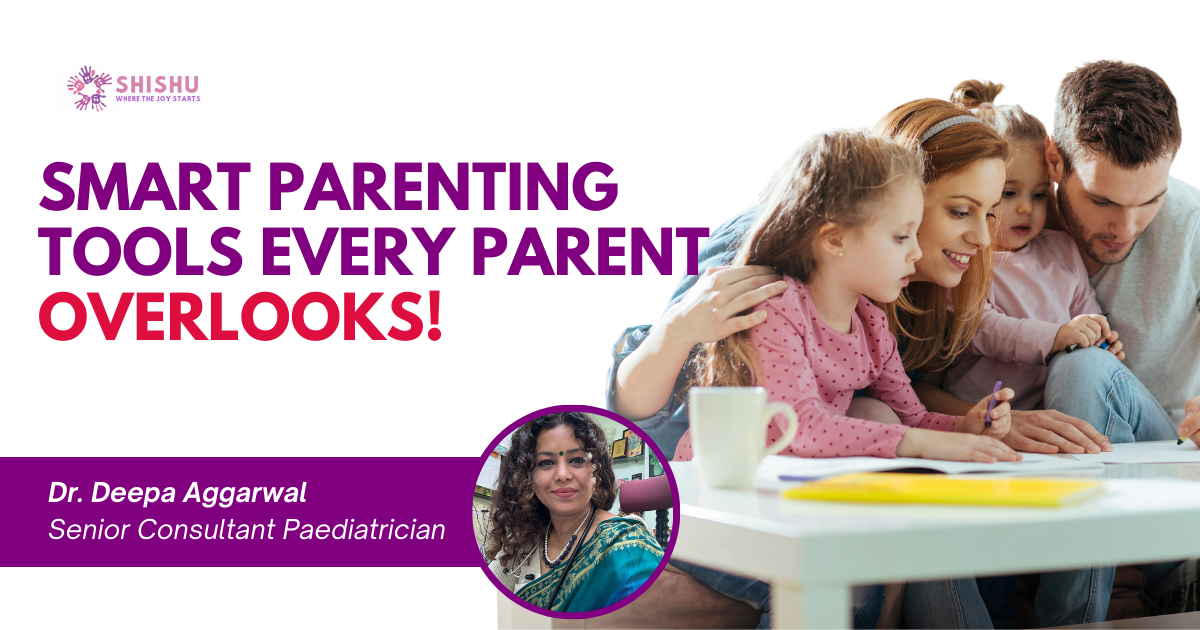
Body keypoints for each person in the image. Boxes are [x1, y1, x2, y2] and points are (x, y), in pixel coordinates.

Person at [675, 129, 1018, 464]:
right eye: (901, 237)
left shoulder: (872, 325)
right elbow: (804, 427)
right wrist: (921, 443)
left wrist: (964, 427)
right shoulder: (777, 310)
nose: (915, 252)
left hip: (792, 484)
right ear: (834, 240)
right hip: (720, 484)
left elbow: (913, 419)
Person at [942, 79, 1177, 446]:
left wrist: (1099, 339)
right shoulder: (969, 259)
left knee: (1084, 369)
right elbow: (979, 329)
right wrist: (1056, 337)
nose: (1026, 208)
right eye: (1008, 193)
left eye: (1038, 194)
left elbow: (1086, 309)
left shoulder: (1061, 249)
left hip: (1063, 405)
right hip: (995, 415)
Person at [483, 412, 665, 612]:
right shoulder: (522, 543)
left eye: (577, 460)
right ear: (526, 477)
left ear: (596, 472)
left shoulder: (628, 545)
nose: (562, 475)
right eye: (546, 462)